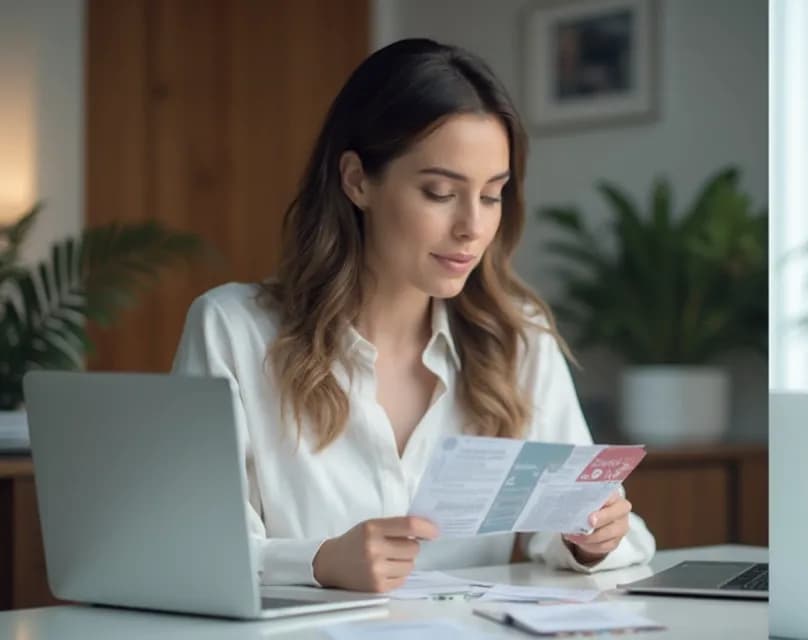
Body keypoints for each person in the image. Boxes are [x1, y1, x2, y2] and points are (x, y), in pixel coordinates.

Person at [171, 38, 655, 593]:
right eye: (440, 192)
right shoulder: (232, 330)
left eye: (493, 195)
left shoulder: (517, 338)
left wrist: (589, 538)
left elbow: (603, 528)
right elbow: (195, 550)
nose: (472, 227)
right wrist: (319, 562)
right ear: (357, 181)